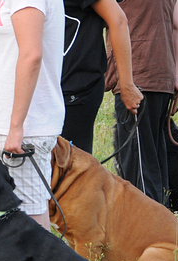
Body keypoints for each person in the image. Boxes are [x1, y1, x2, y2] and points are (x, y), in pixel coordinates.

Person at [0, 0, 66, 231]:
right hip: (14, 125)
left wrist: (16, 127)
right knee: (24, 221)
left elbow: (31, 55)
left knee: (30, 227)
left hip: (24, 129)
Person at [105, 0, 178, 207]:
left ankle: (149, 229)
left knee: (139, 168)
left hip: (136, 79)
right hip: (163, 78)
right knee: (154, 161)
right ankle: (164, 224)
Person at [60, 0, 143, 154]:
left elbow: (118, 20)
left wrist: (127, 85)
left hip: (75, 86)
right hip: (52, 84)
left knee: (72, 167)